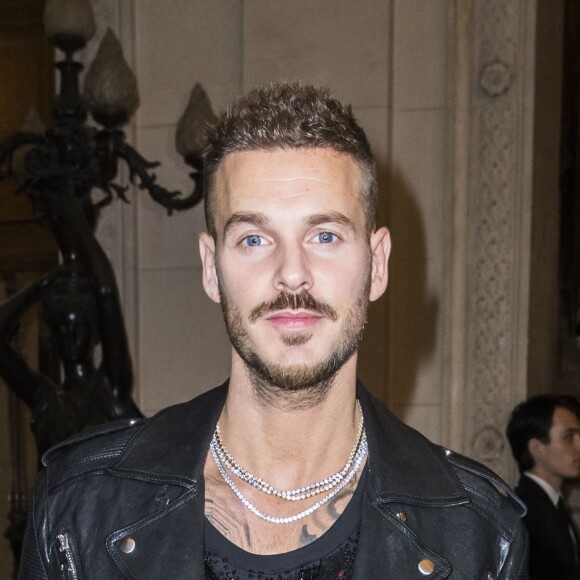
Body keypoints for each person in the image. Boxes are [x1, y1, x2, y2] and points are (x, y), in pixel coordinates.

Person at [18, 82, 528, 579]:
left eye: (325, 235)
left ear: (377, 264)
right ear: (210, 268)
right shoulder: (79, 507)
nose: (291, 273)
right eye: (255, 239)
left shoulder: (478, 533)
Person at [507, 394, 580, 579]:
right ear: (537, 448)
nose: (579, 445)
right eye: (569, 437)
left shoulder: (552, 505)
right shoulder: (522, 513)